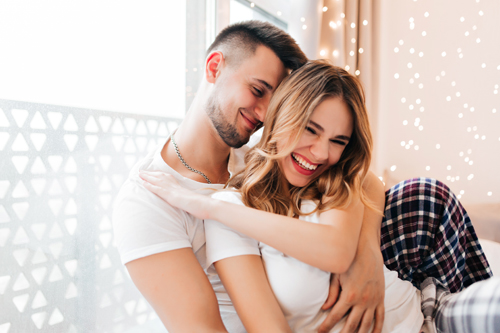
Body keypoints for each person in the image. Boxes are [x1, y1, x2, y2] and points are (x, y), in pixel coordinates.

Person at [113, 20, 491, 332]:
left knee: (425, 197)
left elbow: (362, 180)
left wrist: (366, 257)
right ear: (214, 68)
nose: (263, 115)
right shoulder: (147, 203)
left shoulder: (258, 158)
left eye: (274, 103)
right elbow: (204, 327)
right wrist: (208, 208)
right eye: (257, 91)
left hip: (398, 303)